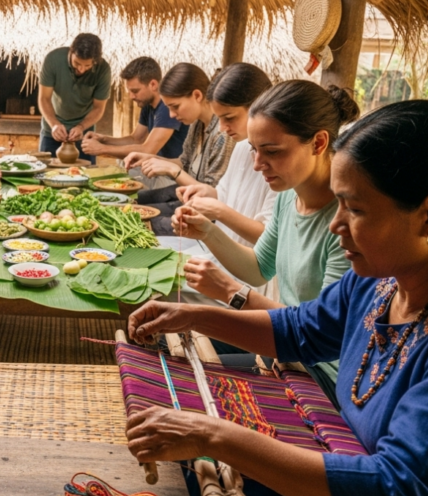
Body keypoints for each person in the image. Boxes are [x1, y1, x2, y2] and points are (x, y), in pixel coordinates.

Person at [126, 99, 428, 496]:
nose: (336, 226)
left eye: (354, 209)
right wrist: (192, 316)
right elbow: (300, 331)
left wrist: (215, 436)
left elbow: (401, 491)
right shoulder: (384, 281)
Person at [172, 80, 360, 403]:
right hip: (284, 346)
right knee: (171, 350)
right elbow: (260, 267)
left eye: (271, 151)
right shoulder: (289, 197)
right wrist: (207, 231)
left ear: (318, 143)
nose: (258, 164)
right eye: (255, 150)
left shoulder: (347, 224)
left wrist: (230, 292)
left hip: (320, 372)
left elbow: (319, 334)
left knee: (192, 386)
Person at [124, 63, 236, 235]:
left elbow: (210, 195)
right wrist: (149, 158)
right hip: (187, 200)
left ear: (197, 95)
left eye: (175, 106)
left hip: (207, 215)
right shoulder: (196, 125)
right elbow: (183, 163)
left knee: (136, 221)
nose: (171, 115)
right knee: (133, 205)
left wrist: (172, 170)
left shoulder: (223, 135)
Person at [174, 62, 276, 249]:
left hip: (249, 270)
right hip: (219, 252)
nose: (221, 128)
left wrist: (219, 211)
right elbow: (225, 194)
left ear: (259, 106)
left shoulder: (281, 162)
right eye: (218, 118)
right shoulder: (240, 147)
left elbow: (269, 238)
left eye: (229, 118)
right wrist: (207, 194)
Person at [80, 57, 188, 160]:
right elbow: (136, 139)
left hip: (173, 173)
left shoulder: (167, 108)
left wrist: (102, 149)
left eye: (135, 91)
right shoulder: (148, 106)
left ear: (153, 84)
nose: (131, 96)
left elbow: (148, 149)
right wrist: (103, 139)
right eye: (130, 92)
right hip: (157, 167)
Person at [38, 33, 113, 163]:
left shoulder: (103, 69)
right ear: (71, 51)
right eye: (77, 63)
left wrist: (81, 127)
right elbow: (44, 98)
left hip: (84, 132)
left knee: (85, 175)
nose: (81, 69)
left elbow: (99, 108)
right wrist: (54, 124)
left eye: (87, 66)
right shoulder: (53, 59)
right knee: (45, 174)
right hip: (52, 130)